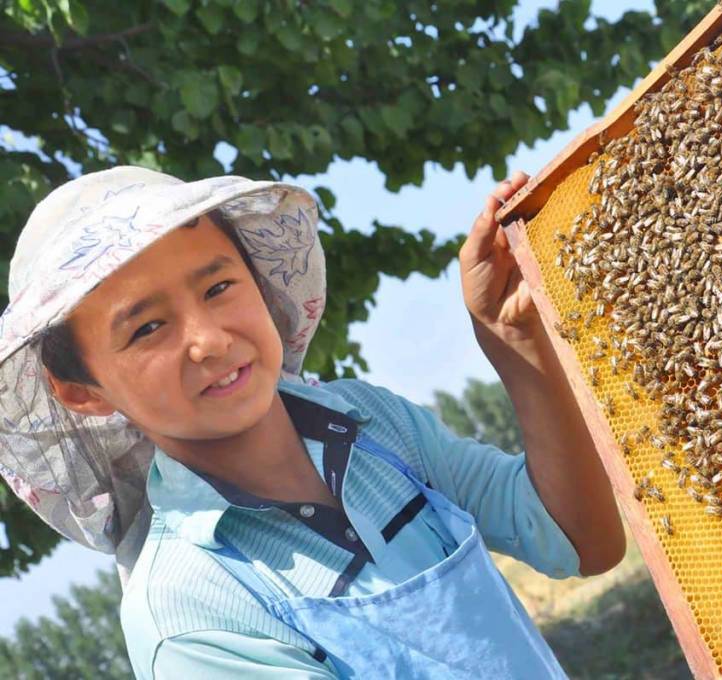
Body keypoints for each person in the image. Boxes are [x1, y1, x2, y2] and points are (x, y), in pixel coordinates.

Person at [0, 166, 625, 678]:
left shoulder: (372, 423)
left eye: (218, 287)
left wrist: (514, 340)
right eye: (146, 328)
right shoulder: (190, 613)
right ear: (82, 392)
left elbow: (580, 540)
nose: (210, 340)